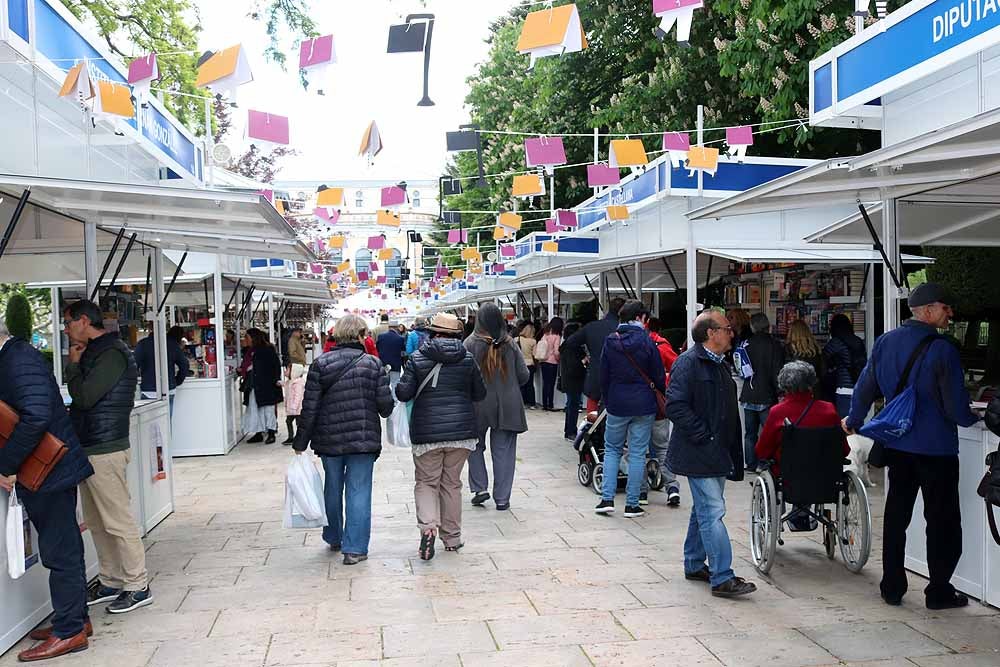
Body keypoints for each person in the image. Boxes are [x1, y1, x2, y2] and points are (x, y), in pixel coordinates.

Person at [845, 283, 979, 610]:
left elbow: (865, 386)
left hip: (898, 447)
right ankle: (938, 591)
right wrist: (975, 417)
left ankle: (892, 586)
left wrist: (854, 418)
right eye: (946, 308)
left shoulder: (887, 341)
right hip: (937, 450)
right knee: (942, 521)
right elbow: (956, 408)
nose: (951, 314)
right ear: (930, 310)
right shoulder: (943, 348)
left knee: (897, 517)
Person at [0, 321, 94, 662]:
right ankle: (76, 619)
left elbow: (36, 416)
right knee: (65, 546)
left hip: (48, 470)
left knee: (60, 552)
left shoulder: (17, 358)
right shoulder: (14, 357)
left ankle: (69, 632)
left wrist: (6, 464)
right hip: (48, 470)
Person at [62, 300, 153, 613]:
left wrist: (72, 366)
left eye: (68, 322)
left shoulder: (112, 352)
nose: (66, 329)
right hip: (90, 445)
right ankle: (111, 578)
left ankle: (137, 584)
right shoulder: (98, 351)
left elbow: (85, 396)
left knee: (117, 520)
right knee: (97, 521)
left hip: (105, 448)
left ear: (84, 321)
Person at [666, 311, 756, 598]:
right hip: (699, 451)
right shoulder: (689, 363)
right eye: (726, 328)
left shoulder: (718, 364)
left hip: (716, 451)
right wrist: (704, 435)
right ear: (711, 334)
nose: (731, 332)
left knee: (703, 509)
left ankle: (694, 563)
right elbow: (675, 406)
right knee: (713, 512)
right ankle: (722, 577)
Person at [293, 315, 393, 564]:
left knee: (333, 487)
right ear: (361, 336)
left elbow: (310, 406)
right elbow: (385, 407)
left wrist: (300, 440)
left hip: (330, 440)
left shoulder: (320, 364)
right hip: (363, 439)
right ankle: (355, 548)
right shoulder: (373, 364)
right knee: (359, 490)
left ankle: (334, 535)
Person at [395, 313, 487, 560]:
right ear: (456, 335)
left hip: (427, 433)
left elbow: (403, 393)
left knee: (426, 482)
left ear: (432, 333)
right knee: (452, 484)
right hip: (461, 432)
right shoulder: (467, 359)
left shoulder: (417, 358)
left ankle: (427, 528)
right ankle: (452, 538)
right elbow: (480, 393)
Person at [594, 300, 665, 519]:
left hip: (617, 403)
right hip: (644, 404)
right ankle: (632, 504)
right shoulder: (647, 341)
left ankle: (607, 499)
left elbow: (603, 375)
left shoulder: (611, 341)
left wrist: (607, 398)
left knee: (613, 449)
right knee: (637, 453)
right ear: (640, 318)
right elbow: (658, 374)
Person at [464, 304, 529, 511]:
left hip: (478, 403)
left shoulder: (469, 344)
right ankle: (502, 498)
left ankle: (479, 487)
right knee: (504, 452)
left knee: (474, 446)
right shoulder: (510, 344)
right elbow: (524, 375)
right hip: (508, 404)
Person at [755, 361, 851, 477]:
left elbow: (762, 450)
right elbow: (844, 449)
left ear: (784, 384)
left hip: (788, 475)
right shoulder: (828, 410)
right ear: (811, 383)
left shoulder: (778, 412)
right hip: (825, 476)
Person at [641, 316, 681, 507]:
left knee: (637, 450)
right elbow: (677, 368)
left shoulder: (632, 345)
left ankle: (640, 491)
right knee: (663, 448)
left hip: (637, 406)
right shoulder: (662, 345)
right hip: (658, 405)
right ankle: (672, 487)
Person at [739, 313, 785, 471]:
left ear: (752, 327)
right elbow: (776, 370)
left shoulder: (745, 344)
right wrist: (780, 391)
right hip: (767, 394)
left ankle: (750, 463)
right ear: (767, 326)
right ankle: (765, 462)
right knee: (768, 433)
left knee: (750, 433)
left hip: (749, 393)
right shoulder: (775, 345)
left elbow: (740, 368)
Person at [564, 298, 626, 412]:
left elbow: (570, 342)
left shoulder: (592, 327)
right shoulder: (625, 329)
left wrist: (584, 355)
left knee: (592, 417)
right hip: (621, 378)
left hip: (595, 375)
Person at [239, 327, 282, 444]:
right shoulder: (250, 350)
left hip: (266, 384)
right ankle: (259, 432)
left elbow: (275, 366)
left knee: (268, 409)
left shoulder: (266, 350)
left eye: (246, 337)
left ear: (253, 338)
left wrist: (276, 380)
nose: (245, 339)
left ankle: (271, 432)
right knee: (255, 409)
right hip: (255, 385)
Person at [133, 326, 189, 414]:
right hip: (168, 388)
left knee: (148, 424)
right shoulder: (172, 344)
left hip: (149, 390)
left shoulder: (142, 344)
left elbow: (133, 366)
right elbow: (184, 365)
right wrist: (176, 381)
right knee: (166, 423)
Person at [823, 313, 867, 417]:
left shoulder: (836, 342)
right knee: (856, 424)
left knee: (844, 425)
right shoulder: (858, 341)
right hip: (859, 387)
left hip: (843, 388)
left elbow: (823, 357)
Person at [559, 322, 586, 441]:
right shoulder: (572, 347)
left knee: (571, 405)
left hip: (570, 380)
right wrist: (584, 362)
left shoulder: (567, 346)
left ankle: (569, 430)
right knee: (573, 406)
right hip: (574, 380)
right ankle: (570, 431)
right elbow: (574, 366)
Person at [785, 320, 824, 384]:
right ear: (807, 331)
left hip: (794, 390)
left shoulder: (788, 349)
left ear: (791, 332)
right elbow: (823, 372)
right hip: (813, 389)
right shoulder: (816, 349)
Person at [538, 318, 563, 412]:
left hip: (543, 360)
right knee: (551, 384)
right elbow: (556, 352)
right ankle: (550, 404)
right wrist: (559, 359)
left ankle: (544, 404)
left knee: (545, 383)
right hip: (552, 362)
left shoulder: (545, 334)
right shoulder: (557, 336)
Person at [282, 361, 307, 446]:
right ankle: (291, 437)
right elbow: (286, 386)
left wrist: (294, 406)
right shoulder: (290, 381)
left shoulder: (298, 383)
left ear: (293, 372)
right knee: (288, 421)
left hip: (298, 409)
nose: (285, 372)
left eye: (287, 370)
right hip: (291, 409)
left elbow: (298, 396)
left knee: (298, 424)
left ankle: (299, 438)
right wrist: (281, 383)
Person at [516, 322, 538, 409]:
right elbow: (535, 354)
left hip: (520, 364)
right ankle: (532, 403)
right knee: (530, 385)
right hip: (530, 364)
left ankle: (522, 402)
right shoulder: (533, 341)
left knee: (521, 384)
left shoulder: (516, 339)